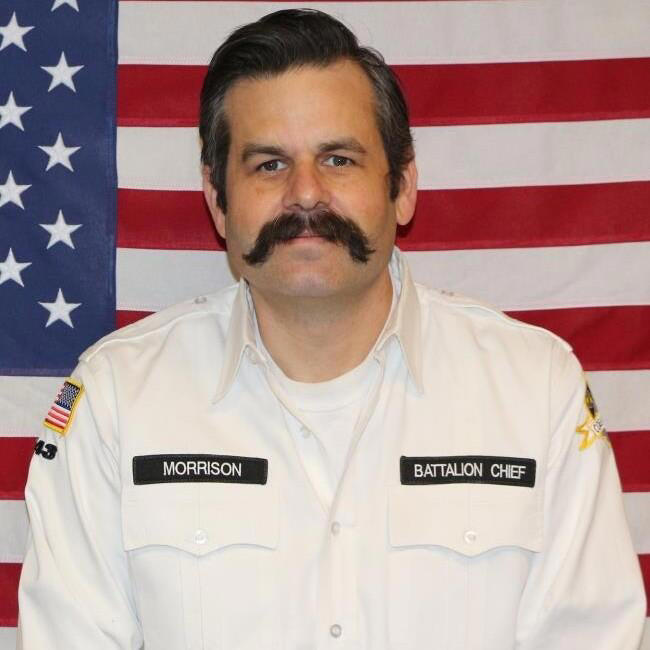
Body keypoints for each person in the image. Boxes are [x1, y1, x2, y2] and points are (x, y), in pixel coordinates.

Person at [17, 8, 645, 650]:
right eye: (268, 165)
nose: (306, 194)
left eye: (338, 159)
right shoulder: (118, 398)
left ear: (403, 185)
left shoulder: (534, 389)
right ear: (216, 198)